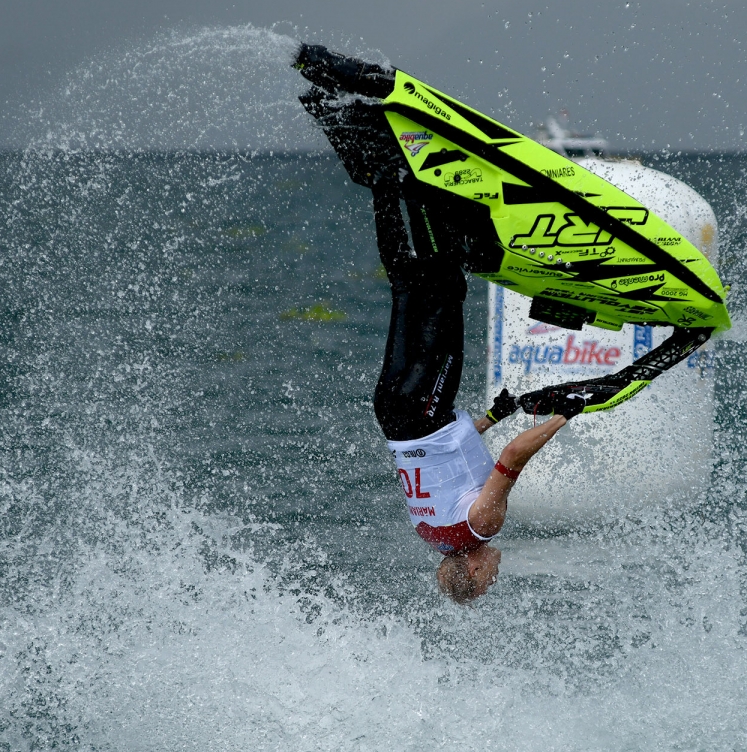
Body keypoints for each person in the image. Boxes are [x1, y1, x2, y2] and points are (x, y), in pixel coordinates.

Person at [294, 44, 711, 602]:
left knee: (439, 282)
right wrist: (496, 413)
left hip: (421, 409)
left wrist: (566, 413)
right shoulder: (432, 533)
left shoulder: (479, 529)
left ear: (472, 570)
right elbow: (448, 458)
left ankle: (404, 170)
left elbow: (512, 460)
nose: (497, 576)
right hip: (397, 412)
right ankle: (364, 147)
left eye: (487, 583)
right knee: (411, 286)